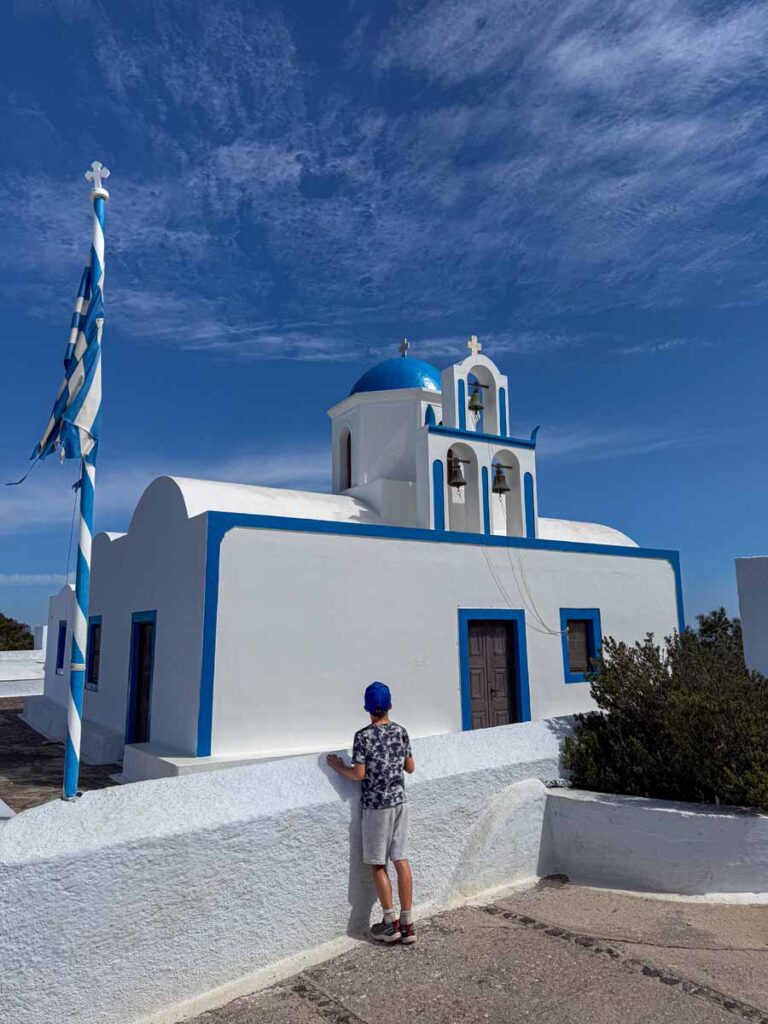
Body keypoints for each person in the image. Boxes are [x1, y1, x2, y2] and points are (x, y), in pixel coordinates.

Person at [327, 681, 416, 945]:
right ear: (389, 705)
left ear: (367, 708)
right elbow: (410, 767)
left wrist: (338, 766)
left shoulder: (363, 736)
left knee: (378, 864)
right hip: (400, 802)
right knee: (401, 859)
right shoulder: (401, 731)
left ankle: (391, 923)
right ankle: (408, 922)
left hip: (377, 807)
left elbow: (359, 774)